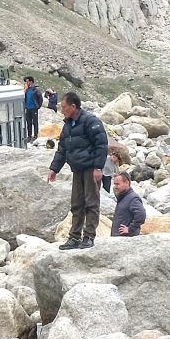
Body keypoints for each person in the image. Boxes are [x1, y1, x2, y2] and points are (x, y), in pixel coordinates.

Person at [47, 92, 109, 250]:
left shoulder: (90, 121)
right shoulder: (68, 124)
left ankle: (89, 237)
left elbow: (101, 145)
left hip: (90, 168)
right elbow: (62, 149)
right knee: (76, 203)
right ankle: (74, 237)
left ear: (73, 106)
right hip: (77, 169)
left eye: (64, 107)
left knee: (91, 203)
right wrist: (54, 168)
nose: (62, 110)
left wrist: (98, 167)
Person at [111, 172, 146, 237]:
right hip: (119, 238)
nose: (115, 187)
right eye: (114, 184)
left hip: (126, 238)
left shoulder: (133, 198)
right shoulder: (123, 197)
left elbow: (141, 215)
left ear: (126, 183)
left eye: (117, 184)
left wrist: (130, 229)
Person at [24, 76, 43, 142]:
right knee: (28, 122)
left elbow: (40, 98)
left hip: (34, 108)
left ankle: (35, 135)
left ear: (31, 82)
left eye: (27, 81)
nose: (26, 83)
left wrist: (38, 106)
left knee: (35, 122)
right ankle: (29, 136)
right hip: (28, 108)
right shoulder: (27, 90)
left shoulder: (35, 90)